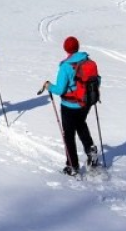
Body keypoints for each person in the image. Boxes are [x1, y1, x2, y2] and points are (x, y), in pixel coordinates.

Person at [42, 36, 99, 175]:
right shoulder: (88, 61)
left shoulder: (65, 66)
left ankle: (72, 166)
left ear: (65, 49)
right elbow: (98, 80)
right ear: (78, 47)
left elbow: (60, 89)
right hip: (86, 103)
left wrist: (49, 86)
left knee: (68, 134)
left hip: (69, 105)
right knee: (81, 124)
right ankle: (90, 149)